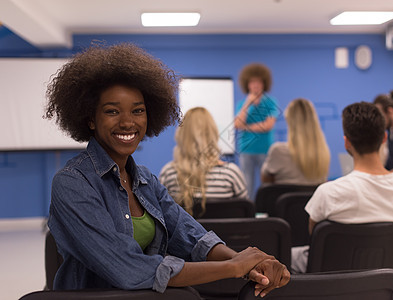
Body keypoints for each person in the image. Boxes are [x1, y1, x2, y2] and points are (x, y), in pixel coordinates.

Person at [45, 43, 289, 295]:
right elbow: (128, 268)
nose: (128, 122)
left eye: (138, 111)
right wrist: (232, 267)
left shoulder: (146, 180)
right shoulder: (72, 183)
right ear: (90, 119)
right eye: (112, 111)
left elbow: (191, 236)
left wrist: (249, 264)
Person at [291, 102, 393, 273]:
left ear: (346, 143)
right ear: (384, 138)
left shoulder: (328, 192)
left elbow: (315, 242)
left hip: (334, 287)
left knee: (290, 256)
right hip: (389, 286)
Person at [159, 107, 248, 217]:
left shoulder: (168, 174)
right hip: (223, 235)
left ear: (181, 134)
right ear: (213, 133)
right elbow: (246, 217)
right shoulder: (230, 174)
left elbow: (161, 217)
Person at [234, 63, 279, 200]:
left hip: (265, 150)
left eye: (258, 82)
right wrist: (248, 104)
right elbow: (237, 123)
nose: (255, 85)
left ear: (264, 83)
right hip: (246, 150)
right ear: (247, 84)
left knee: (267, 185)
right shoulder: (242, 104)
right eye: (252, 82)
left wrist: (246, 127)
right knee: (247, 185)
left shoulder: (271, 102)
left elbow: (268, 125)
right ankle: (250, 213)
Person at [261, 98, 330, 185]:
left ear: (289, 121)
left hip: (283, 197)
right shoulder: (323, 153)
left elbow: (265, 180)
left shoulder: (278, 150)